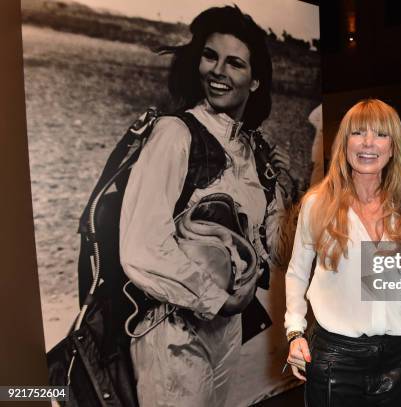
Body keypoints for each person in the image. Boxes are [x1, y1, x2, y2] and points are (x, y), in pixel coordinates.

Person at [119, 6, 289, 406]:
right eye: (210, 56)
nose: (218, 71)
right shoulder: (175, 134)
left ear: (256, 80)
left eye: (235, 63)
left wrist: (287, 189)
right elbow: (141, 245)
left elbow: (278, 250)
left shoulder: (252, 152)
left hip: (226, 330)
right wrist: (216, 299)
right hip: (172, 325)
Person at [284, 99, 401, 406]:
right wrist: (295, 332)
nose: (369, 143)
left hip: (397, 357)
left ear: (393, 147)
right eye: (358, 133)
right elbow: (297, 272)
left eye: (381, 134)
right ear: (344, 143)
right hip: (336, 359)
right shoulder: (318, 203)